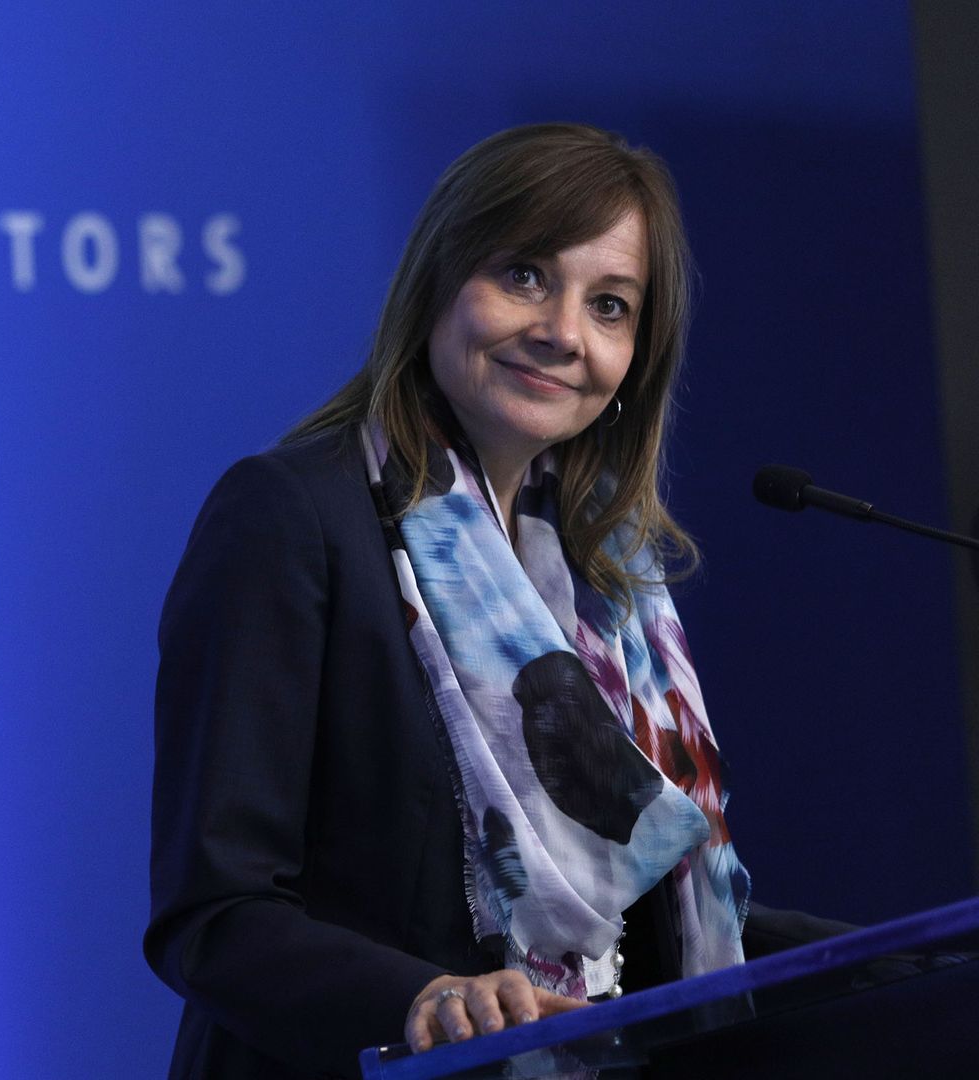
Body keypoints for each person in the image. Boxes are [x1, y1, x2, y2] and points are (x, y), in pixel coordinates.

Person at [145, 123, 845, 1080]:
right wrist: (424, 997)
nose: (564, 333)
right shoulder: (292, 517)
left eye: (610, 306)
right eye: (524, 275)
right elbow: (214, 917)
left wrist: (892, 952)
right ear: (438, 280)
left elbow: (646, 915)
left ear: (637, 357)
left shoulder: (610, 588)